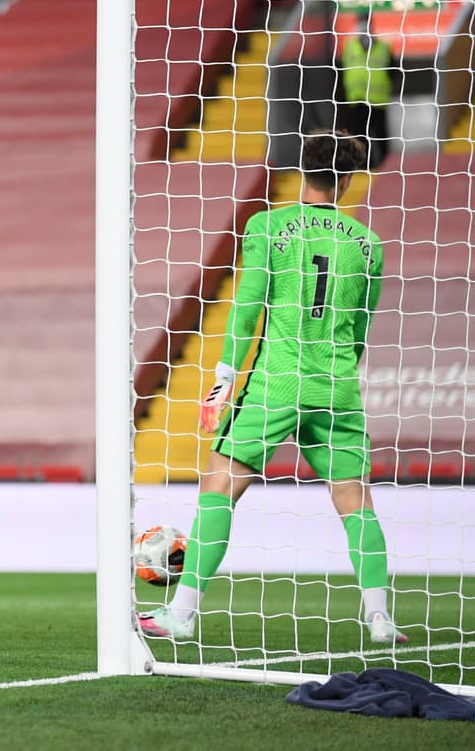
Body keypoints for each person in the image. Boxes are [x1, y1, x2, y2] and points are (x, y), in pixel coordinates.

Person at [139, 130, 407, 645]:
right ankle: (379, 617)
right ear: (349, 179)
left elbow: (244, 311)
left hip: (276, 383)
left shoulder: (269, 225)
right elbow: (361, 330)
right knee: (355, 502)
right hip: (337, 387)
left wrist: (221, 383)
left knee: (218, 488)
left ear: (301, 171)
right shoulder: (369, 246)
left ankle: (182, 614)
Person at [338, 9, 393, 169]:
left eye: (366, 22)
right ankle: (362, 166)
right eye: (361, 21)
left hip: (377, 99)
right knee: (358, 136)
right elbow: (342, 71)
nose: (364, 26)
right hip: (356, 99)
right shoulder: (349, 47)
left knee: (380, 135)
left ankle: (384, 166)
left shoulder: (383, 47)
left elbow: (394, 71)